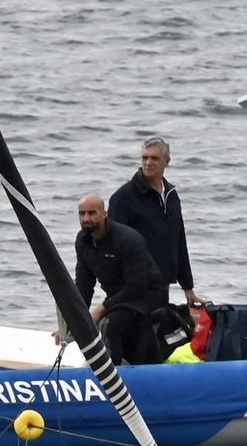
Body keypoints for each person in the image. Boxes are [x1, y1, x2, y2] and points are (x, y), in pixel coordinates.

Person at [66, 194, 168, 364]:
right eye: (82, 214)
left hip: (146, 297)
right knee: (99, 321)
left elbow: (137, 286)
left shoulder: (127, 240)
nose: (86, 218)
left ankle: (113, 375)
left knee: (109, 324)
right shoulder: (83, 241)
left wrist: (102, 309)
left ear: (104, 213)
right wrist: (73, 322)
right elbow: (84, 285)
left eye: (92, 213)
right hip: (119, 299)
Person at [108, 137, 205, 307]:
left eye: (154, 158)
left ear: (167, 161)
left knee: (157, 328)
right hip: (133, 284)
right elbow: (111, 245)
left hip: (162, 281)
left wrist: (188, 288)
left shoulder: (171, 196)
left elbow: (179, 241)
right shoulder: (123, 197)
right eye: (145, 158)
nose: (148, 163)